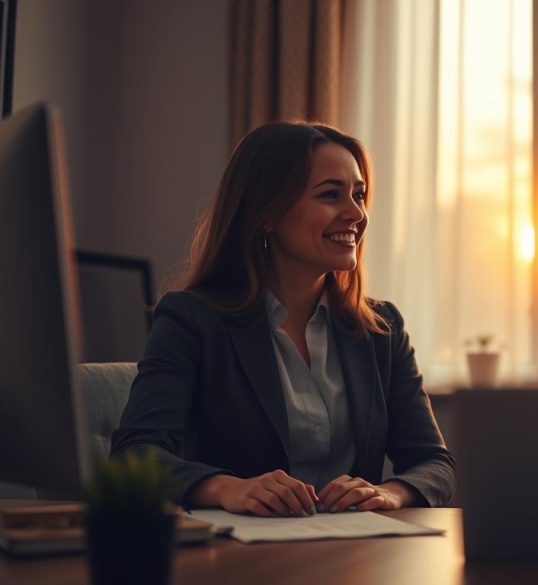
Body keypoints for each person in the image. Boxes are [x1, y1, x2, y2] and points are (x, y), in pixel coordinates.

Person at [111, 122, 455, 516]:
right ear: (267, 213)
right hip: (238, 558)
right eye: (330, 195)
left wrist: (391, 493)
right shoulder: (192, 320)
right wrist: (227, 488)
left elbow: (435, 463)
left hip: (355, 553)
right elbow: (135, 455)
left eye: (359, 195)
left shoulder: (382, 328)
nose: (356, 214)